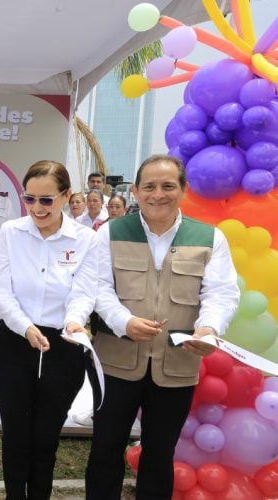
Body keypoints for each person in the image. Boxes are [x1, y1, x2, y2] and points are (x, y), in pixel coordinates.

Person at [66, 154, 239, 499]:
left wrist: (208, 328)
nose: (158, 194)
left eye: (168, 186)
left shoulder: (209, 238)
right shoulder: (111, 233)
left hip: (176, 366)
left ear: (183, 190)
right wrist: (124, 322)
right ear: (135, 191)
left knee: (160, 455)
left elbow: (221, 293)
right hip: (115, 365)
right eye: (149, 186)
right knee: (105, 450)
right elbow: (98, 287)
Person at [0, 160, 96, 499]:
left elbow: (84, 292)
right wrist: (25, 327)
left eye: (46, 200)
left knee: (46, 437)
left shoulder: (86, 239)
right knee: (15, 435)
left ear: (66, 196)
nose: (37, 208)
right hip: (14, 343)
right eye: (29, 199)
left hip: (63, 346)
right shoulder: (11, 232)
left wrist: (74, 320)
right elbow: (2, 291)